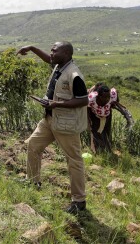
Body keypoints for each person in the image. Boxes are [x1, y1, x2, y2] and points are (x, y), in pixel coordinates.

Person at [17, 42, 88, 214]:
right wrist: (32, 48)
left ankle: (79, 201)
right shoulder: (59, 65)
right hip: (50, 119)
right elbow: (47, 59)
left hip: (66, 124)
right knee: (33, 145)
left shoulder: (74, 74)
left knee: (74, 160)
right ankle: (33, 181)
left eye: (54, 51)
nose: (51, 54)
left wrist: (57, 104)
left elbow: (83, 100)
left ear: (65, 53)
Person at [87, 83, 128, 154]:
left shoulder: (112, 95)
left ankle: (107, 150)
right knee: (96, 133)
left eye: (108, 97)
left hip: (107, 116)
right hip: (95, 116)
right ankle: (98, 152)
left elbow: (115, 97)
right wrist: (88, 119)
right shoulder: (91, 98)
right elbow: (86, 108)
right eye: (104, 97)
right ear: (99, 96)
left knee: (106, 132)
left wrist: (113, 103)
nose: (107, 99)